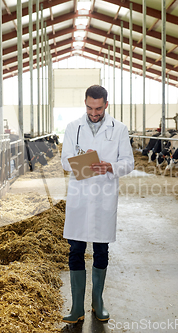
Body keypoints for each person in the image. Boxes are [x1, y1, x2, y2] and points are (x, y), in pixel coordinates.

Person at [60, 85, 134, 323]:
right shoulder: (73, 128)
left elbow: (128, 163)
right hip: (80, 198)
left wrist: (110, 166)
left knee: (101, 251)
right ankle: (77, 307)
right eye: (90, 107)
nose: (94, 112)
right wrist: (84, 160)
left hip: (104, 196)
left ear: (106, 105)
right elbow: (64, 162)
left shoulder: (119, 129)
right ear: (85, 103)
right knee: (76, 250)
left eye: (98, 108)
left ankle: (97, 303)